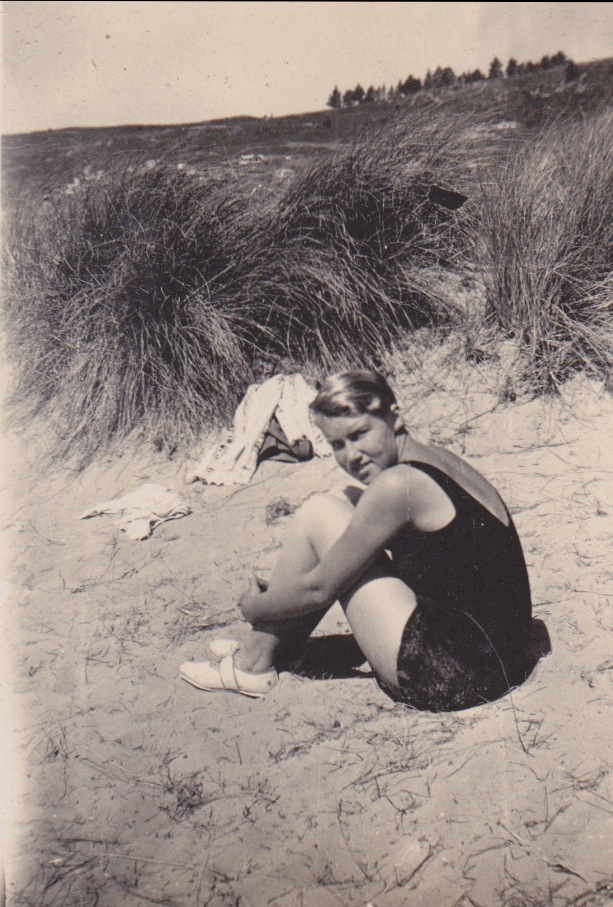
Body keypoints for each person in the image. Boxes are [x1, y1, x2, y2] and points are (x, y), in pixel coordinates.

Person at [180, 370, 533, 711]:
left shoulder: (398, 485)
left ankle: (253, 664)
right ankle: (279, 644)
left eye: (359, 434)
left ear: (393, 418)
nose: (351, 455)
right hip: (503, 658)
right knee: (346, 497)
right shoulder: (437, 459)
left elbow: (320, 589)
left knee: (320, 512)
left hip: (455, 677)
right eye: (337, 444)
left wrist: (256, 607)